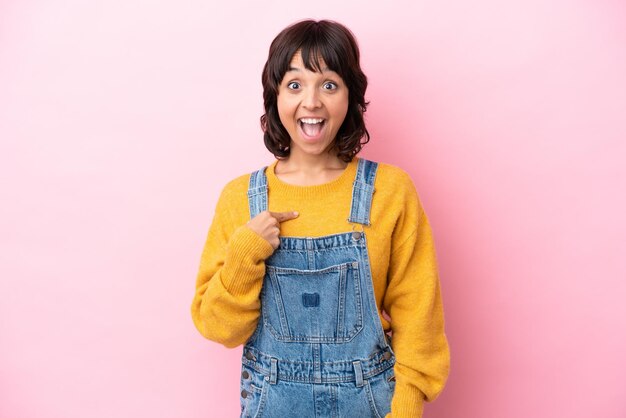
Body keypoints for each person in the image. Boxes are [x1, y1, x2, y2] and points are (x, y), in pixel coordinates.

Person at [191, 19, 450, 418]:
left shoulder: (389, 191)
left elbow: (420, 319)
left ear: (350, 96)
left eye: (329, 84)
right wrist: (246, 252)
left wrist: (406, 406)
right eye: (295, 85)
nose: (311, 102)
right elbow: (219, 328)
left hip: (371, 406)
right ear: (274, 96)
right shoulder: (240, 199)